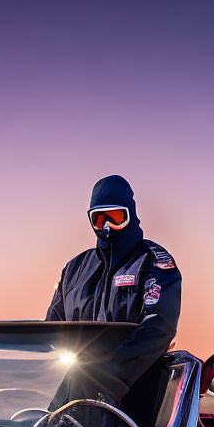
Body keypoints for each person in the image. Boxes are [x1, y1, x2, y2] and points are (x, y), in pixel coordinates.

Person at [46, 174, 181, 406]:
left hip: (132, 395)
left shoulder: (151, 262)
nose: (107, 226)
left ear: (131, 214)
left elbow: (159, 326)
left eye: (115, 217)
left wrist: (109, 376)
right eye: (98, 219)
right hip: (75, 388)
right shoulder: (75, 269)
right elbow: (52, 329)